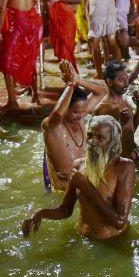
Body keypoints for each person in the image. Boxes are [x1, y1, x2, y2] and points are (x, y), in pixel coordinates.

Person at [22, 115, 134, 240]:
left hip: (113, 240)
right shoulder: (79, 165)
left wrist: (86, 187)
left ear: (112, 141)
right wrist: (39, 214)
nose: (92, 141)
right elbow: (65, 211)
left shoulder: (124, 167)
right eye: (90, 135)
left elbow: (119, 222)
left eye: (100, 137)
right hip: (83, 238)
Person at [42, 60, 108, 191]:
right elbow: (57, 115)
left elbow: (102, 92)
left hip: (87, 178)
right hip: (65, 187)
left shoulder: (81, 116)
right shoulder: (52, 126)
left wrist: (78, 80)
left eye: (83, 111)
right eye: (76, 112)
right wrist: (70, 85)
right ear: (66, 108)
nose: (81, 115)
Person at [92, 61, 139, 163]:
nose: (126, 83)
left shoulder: (124, 100)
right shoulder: (102, 109)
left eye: (126, 78)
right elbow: (97, 143)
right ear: (109, 82)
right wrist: (120, 124)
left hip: (132, 153)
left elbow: (131, 129)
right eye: (121, 80)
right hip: (119, 162)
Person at [42, 0, 79, 70]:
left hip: (66, 22)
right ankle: (69, 79)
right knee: (60, 53)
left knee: (66, 52)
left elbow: (77, 0)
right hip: (56, 21)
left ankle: (74, 81)